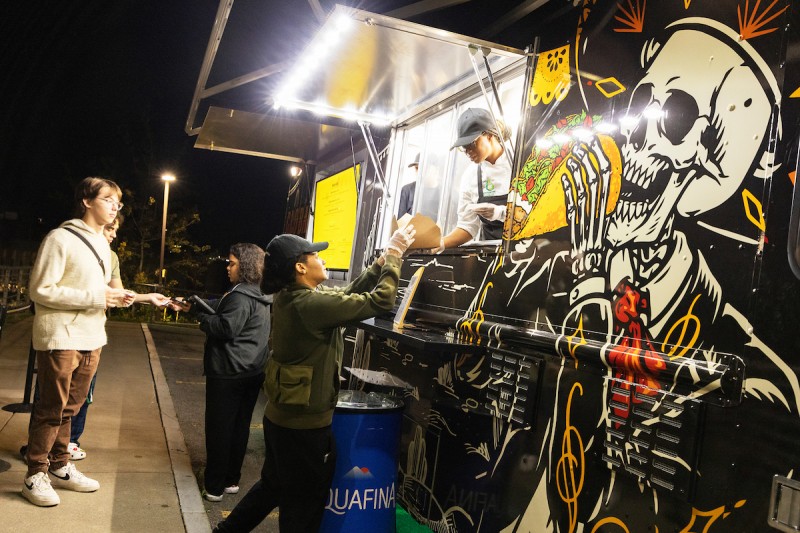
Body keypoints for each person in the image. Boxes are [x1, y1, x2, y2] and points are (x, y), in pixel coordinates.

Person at [212, 225, 416, 533]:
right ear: (300, 267)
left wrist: (379, 264)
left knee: (273, 486)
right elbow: (381, 301)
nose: (322, 259)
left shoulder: (293, 298)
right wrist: (395, 256)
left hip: (281, 419)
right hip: (303, 429)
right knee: (303, 506)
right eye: (316, 255)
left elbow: (347, 294)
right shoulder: (310, 305)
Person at [23, 177, 134, 507]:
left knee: (72, 407)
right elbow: (40, 289)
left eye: (118, 202)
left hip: (92, 336)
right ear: (86, 201)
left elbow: (102, 293)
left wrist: (128, 298)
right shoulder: (60, 238)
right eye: (108, 199)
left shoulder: (103, 246)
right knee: (51, 408)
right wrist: (97, 297)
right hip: (61, 335)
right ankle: (35, 474)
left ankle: (60, 465)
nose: (115, 206)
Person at [66, 213, 170, 460]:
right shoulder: (71, 243)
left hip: (93, 335)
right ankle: (40, 447)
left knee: (83, 392)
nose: (113, 234)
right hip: (66, 331)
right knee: (53, 395)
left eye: (115, 230)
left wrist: (148, 298)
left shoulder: (111, 257)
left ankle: (70, 442)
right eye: (110, 229)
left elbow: (119, 294)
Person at [174, 243, 271, 502]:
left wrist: (202, 320)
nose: (228, 268)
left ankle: (214, 487)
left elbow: (226, 327)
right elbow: (221, 306)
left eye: (233, 263)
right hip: (252, 371)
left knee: (219, 430)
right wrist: (193, 306)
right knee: (239, 427)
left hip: (228, 372)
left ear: (245, 265)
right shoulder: (258, 293)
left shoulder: (239, 295)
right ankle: (231, 480)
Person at [438, 108, 513, 249]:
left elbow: (539, 211)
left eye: (471, 144)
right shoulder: (470, 176)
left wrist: (501, 213)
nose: (468, 152)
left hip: (529, 251)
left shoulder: (520, 162)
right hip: (492, 255)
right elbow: (467, 226)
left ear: (489, 135)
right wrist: (439, 244)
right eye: (464, 147)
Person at [397, 154, 419, 218]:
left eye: (422, 167)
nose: (418, 171)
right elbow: (400, 220)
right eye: (417, 168)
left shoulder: (441, 194)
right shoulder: (406, 190)